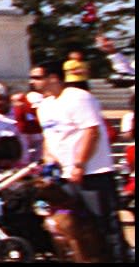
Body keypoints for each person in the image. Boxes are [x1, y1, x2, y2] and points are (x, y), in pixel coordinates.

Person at [31, 61, 123, 258]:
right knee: (76, 227)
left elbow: (91, 132)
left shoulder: (78, 98)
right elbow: (49, 136)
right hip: (64, 176)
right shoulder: (45, 105)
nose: (33, 82)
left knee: (103, 224)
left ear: (53, 78)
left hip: (92, 172)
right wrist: (48, 159)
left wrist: (79, 164)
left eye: (37, 77)